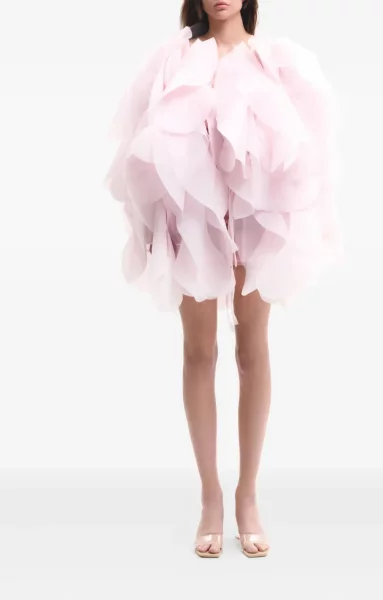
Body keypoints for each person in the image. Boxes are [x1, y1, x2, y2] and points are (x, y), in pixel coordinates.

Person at [104, 0, 343, 558]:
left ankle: (247, 495)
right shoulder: (174, 59)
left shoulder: (275, 61)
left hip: (254, 223)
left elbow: (302, 155)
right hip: (194, 222)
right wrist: (155, 226)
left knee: (252, 350)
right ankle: (210, 496)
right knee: (198, 352)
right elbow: (146, 150)